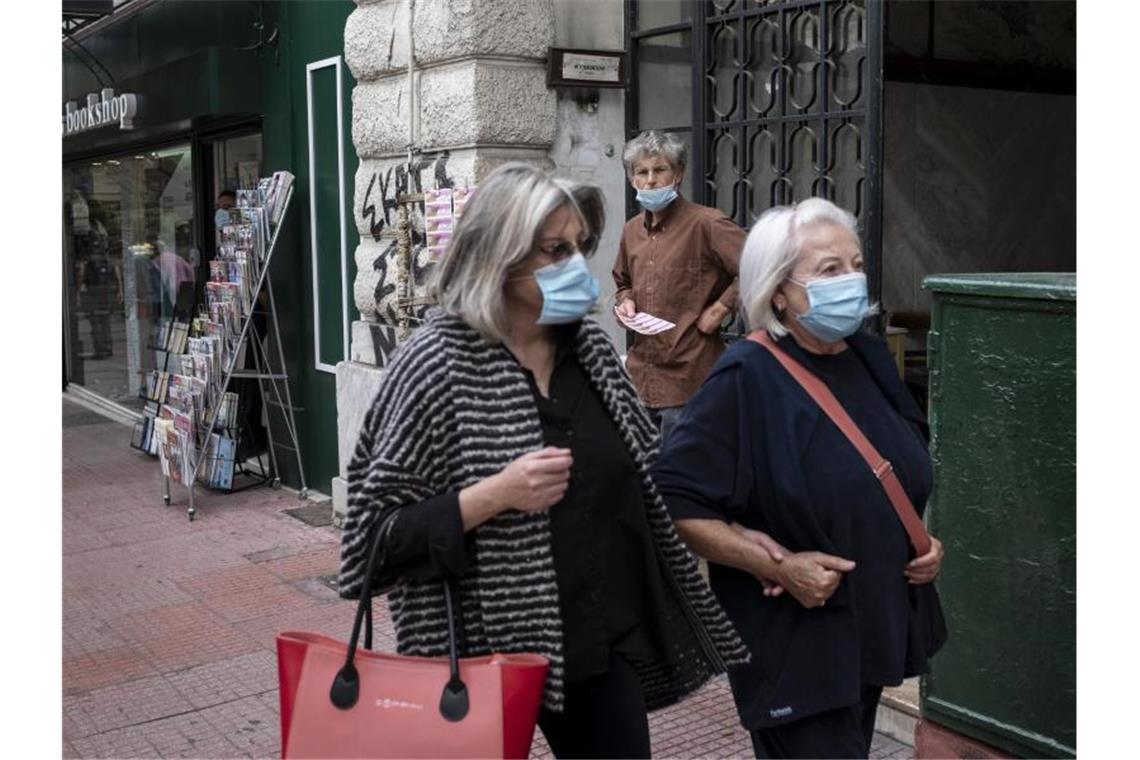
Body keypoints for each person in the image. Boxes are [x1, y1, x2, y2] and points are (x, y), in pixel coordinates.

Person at [339, 163, 749, 759]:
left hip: (598, 644)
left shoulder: (594, 355)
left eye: (580, 248)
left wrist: (760, 544)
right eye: (555, 251)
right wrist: (492, 496)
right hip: (475, 653)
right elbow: (367, 545)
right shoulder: (436, 364)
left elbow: (656, 481)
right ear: (497, 258)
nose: (577, 267)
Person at [652, 198, 946, 759]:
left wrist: (921, 540)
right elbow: (675, 498)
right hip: (798, 645)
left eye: (856, 264)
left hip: (869, 630)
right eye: (830, 269)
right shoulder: (746, 376)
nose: (852, 280)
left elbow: (896, 466)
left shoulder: (865, 357)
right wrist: (778, 565)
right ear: (778, 290)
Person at [612, 130, 746, 441]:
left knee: (685, 477)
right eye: (641, 172)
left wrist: (722, 306)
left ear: (679, 173)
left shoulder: (707, 224)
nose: (650, 180)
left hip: (691, 378)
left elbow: (760, 264)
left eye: (659, 170)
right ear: (632, 179)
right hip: (640, 379)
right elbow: (623, 282)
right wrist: (625, 302)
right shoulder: (632, 231)